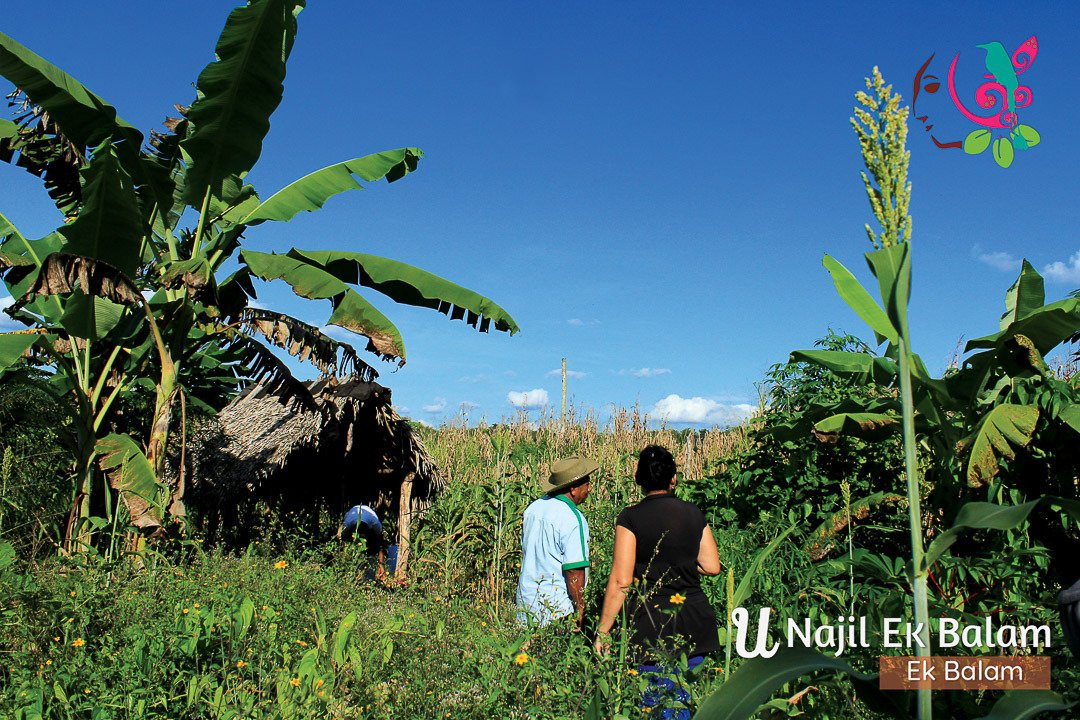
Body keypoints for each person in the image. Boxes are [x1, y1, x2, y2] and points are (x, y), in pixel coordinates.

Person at [594, 445, 721, 717]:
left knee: (656, 704)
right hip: (693, 621)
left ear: (638, 479)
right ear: (673, 478)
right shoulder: (694, 513)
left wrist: (603, 631)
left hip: (649, 623)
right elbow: (712, 566)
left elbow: (621, 580)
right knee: (686, 701)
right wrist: (683, 566)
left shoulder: (631, 517)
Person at [515, 456, 597, 629]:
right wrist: (580, 609)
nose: (590, 489)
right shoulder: (573, 518)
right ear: (574, 489)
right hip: (556, 611)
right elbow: (574, 569)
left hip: (527, 605)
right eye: (587, 484)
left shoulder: (533, 508)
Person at [340, 503, 389, 580]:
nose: (362, 536)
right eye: (360, 533)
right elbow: (343, 541)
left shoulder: (375, 524)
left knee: (372, 551)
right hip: (353, 516)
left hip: (369, 520)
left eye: (363, 534)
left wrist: (381, 565)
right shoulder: (347, 525)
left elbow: (380, 544)